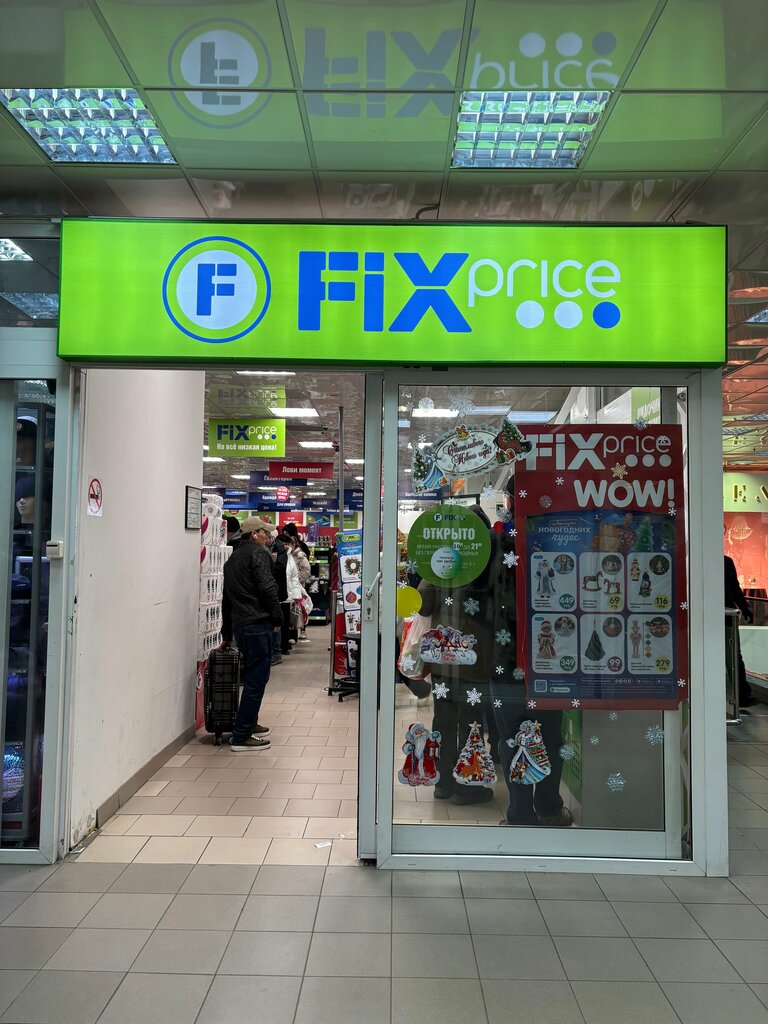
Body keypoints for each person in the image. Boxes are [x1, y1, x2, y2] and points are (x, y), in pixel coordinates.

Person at [490, 475, 573, 826]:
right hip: (552, 654)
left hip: (505, 654)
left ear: (512, 500)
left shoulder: (496, 542)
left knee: (511, 734)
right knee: (550, 735)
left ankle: (520, 812)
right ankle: (549, 808)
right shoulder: (560, 539)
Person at [220, 517, 284, 751]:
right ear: (253, 534)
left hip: (241, 626)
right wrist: (278, 618)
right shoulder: (259, 554)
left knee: (251, 677)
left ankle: (249, 722)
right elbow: (267, 588)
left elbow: (226, 600)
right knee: (256, 680)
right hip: (258, 624)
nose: (268, 537)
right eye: (264, 532)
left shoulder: (232, 559)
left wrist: (227, 635)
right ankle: (242, 735)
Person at [724, 553, 757, 708]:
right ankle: (742, 695)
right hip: (725, 614)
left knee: (734, 656)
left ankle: (742, 695)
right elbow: (734, 587)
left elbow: (734, 587)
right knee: (734, 656)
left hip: (726, 615)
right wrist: (745, 608)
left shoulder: (725, 561)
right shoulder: (724, 561)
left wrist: (744, 607)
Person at [265, 529, 289, 662]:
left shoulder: (279, 548)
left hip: (277, 590)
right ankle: (271, 651)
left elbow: (280, 567)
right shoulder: (263, 547)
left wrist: (265, 569)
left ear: (271, 537)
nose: (265, 540)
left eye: (267, 537)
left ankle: (276, 652)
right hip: (267, 589)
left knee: (276, 622)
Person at [277, 532, 303, 654]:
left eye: (287, 543)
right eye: (283, 544)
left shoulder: (290, 558)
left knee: (286, 622)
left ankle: (284, 646)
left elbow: (294, 578)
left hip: (286, 596)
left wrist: (296, 596)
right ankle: (277, 647)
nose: (286, 546)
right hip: (275, 596)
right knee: (276, 623)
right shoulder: (274, 555)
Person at [286, 533, 312, 641]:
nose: (287, 546)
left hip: (298, 587)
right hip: (289, 586)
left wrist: (297, 580)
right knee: (292, 611)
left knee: (299, 609)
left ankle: (301, 631)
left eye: (289, 544)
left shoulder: (300, 555)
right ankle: (291, 635)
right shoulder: (286, 555)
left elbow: (306, 570)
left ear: (294, 544)